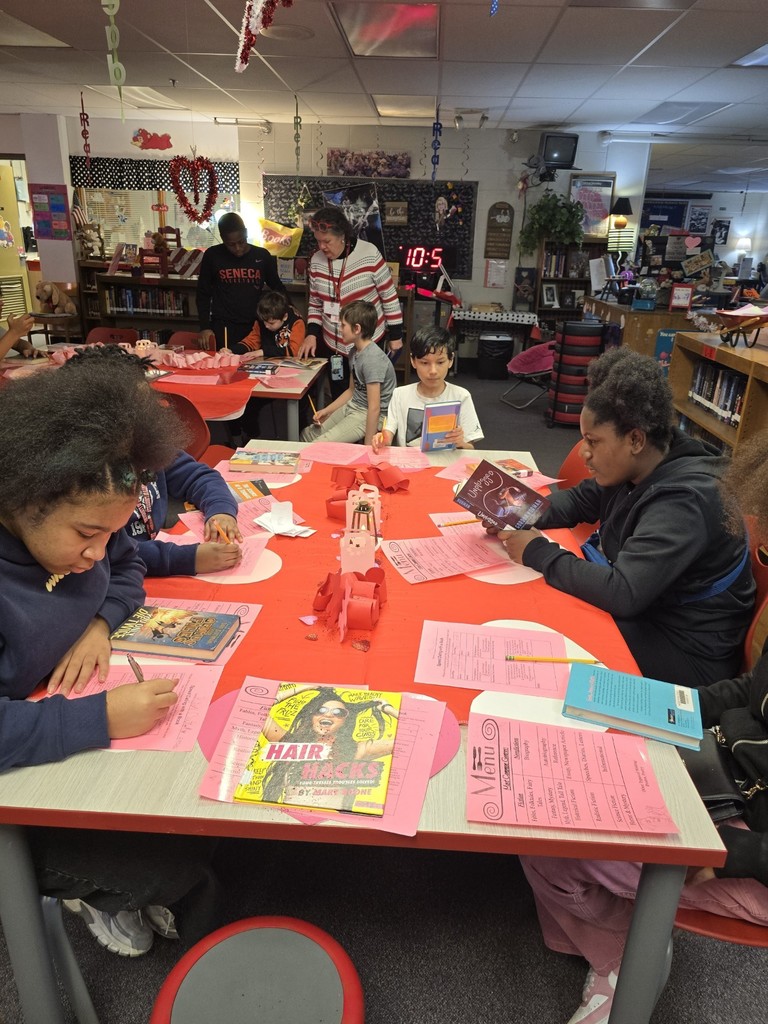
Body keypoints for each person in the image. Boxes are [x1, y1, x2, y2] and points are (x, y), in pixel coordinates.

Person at [519, 431, 768, 1024]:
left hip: (749, 844)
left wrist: (734, 852)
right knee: (556, 768)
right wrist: (661, 705)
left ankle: (626, 957)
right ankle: (624, 938)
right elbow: (751, 692)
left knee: (550, 836)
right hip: (728, 773)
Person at [0, 359, 221, 957]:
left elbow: (127, 564)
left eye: (109, 532)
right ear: (23, 497)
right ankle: (93, 895)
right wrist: (98, 718)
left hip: (58, 701)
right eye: (85, 534)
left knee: (194, 796)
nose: (96, 553)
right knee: (169, 859)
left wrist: (98, 622)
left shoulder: (91, 524)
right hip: (21, 763)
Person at [488, 347, 754, 688]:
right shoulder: (647, 458)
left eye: (592, 441)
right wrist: (513, 511)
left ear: (635, 439)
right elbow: (580, 501)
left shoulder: (686, 501)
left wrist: (536, 551)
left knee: (548, 634)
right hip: (650, 609)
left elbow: (623, 592)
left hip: (685, 650)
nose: (584, 453)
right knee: (543, 606)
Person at [60, 346, 243, 577]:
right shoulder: (83, 474)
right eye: (135, 409)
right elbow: (109, 554)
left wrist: (221, 511)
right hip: (118, 577)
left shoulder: (143, 444)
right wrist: (185, 559)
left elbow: (198, 476)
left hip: (148, 565)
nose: (148, 415)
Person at [297, 206, 402, 397]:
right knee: (339, 393)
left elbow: (389, 296)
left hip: (368, 340)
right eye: (318, 241)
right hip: (334, 343)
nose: (322, 247)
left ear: (342, 236)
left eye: (327, 241)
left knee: (368, 394)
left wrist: (396, 336)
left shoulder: (369, 253)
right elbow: (315, 303)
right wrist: (311, 334)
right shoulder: (316, 260)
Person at [258, 684, 399, 811]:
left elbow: (407, 739)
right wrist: (304, 688)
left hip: (331, 821)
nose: (328, 714)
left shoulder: (356, 750)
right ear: (312, 716)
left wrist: (387, 708)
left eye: (338, 713)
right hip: (290, 818)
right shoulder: (293, 745)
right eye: (320, 710)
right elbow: (257, 709)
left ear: (345, 721)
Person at [300, 299, 396, 447]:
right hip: (354, 405)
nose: (340, 329)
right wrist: (327, 410)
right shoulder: (354, 352)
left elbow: (374, 408)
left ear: (357, 329)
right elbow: (351, 391)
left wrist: (368, 445)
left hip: (367, 413)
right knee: (307, 435)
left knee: (318, 445)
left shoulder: (372, 360)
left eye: (343, 325)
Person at [371, 325, 483, 451]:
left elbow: (470, 448)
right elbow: (388, 432)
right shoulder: (400, 394)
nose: (433, 371)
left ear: (451, 360)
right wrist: (382, 438)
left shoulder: (461, 396)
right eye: (424, 363)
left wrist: (460, 443)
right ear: (413, 361)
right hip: (410, 461)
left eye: (440, 362)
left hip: (446, 461)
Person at [196, 212, 286, 351]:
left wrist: (291, 311)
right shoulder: (213, 256)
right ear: (222, 238)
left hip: (256, 325)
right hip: (224, 326)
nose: (238, 248)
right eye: (231, 245)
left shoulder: (262, 256)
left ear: (246, 233)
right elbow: (203, 293)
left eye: (241, 242)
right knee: (225, 361)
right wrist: (204, 327)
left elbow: (277, 287)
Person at [234, 290, 306, 359]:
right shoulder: (261, 320)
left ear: (284, 317)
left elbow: (294, 351)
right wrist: (232, 350)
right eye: (264, 322)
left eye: (272, 323)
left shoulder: (296, 323)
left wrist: (263, 352)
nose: (266, 326)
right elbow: (251, 342)